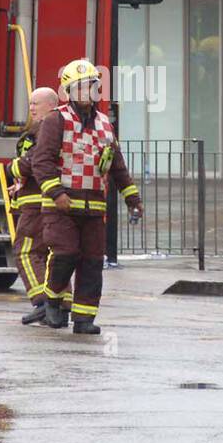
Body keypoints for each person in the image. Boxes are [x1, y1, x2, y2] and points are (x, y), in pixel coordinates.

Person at [30, 59, 143, 335]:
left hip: (93, 208)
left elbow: (117, 166)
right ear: (69, 91)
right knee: (65, 254)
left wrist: (133, 200)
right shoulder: (56, 120)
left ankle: (84, 319)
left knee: (92, 263)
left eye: (91, 85)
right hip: (62, 207)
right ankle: (53, 299)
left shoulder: (105, 124)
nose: (87, 91)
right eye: (80, 87)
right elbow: (41, 161)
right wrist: (56, 193)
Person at [8, 86, 63, 325]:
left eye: (36, 103)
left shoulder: (46, 128)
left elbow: (34, 161)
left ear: (51, 105)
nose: (31, 108)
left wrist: (14, 168)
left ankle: (42, 301)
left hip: (37, 203)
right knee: (53, 255)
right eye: (30, 103)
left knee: (26, 251)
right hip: (45, 200)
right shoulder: (55, 126)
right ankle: (60, 306)